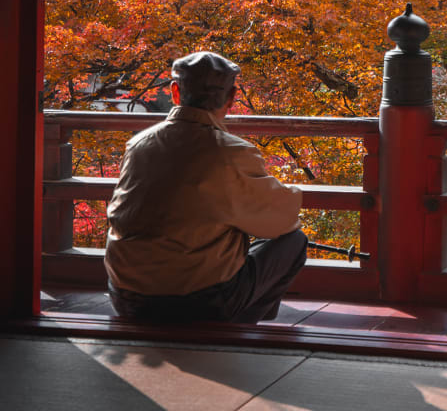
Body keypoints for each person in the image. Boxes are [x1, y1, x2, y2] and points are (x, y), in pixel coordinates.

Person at [104, 51, 307, 323]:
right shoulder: (231, 152)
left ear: (175, 91)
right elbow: (282, 220)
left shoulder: (139, 145)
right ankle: (240, 326)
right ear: (232, 97)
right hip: (199, 303)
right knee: (294, 242)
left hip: (127, 297)